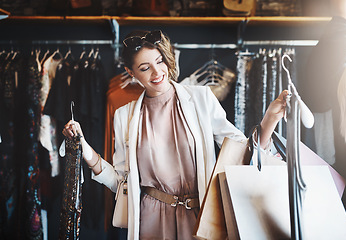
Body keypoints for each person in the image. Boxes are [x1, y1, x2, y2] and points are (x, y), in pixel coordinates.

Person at [62, 29, 288, 240]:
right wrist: (86, 150)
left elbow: (242, 150)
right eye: (145, 68)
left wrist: (269, 120)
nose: (157, 72)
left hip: (202, 217)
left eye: (159, 61)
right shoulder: (124, 116)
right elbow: (121, 181)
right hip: (151, 221)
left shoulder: (201, 98)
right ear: (131, 73)